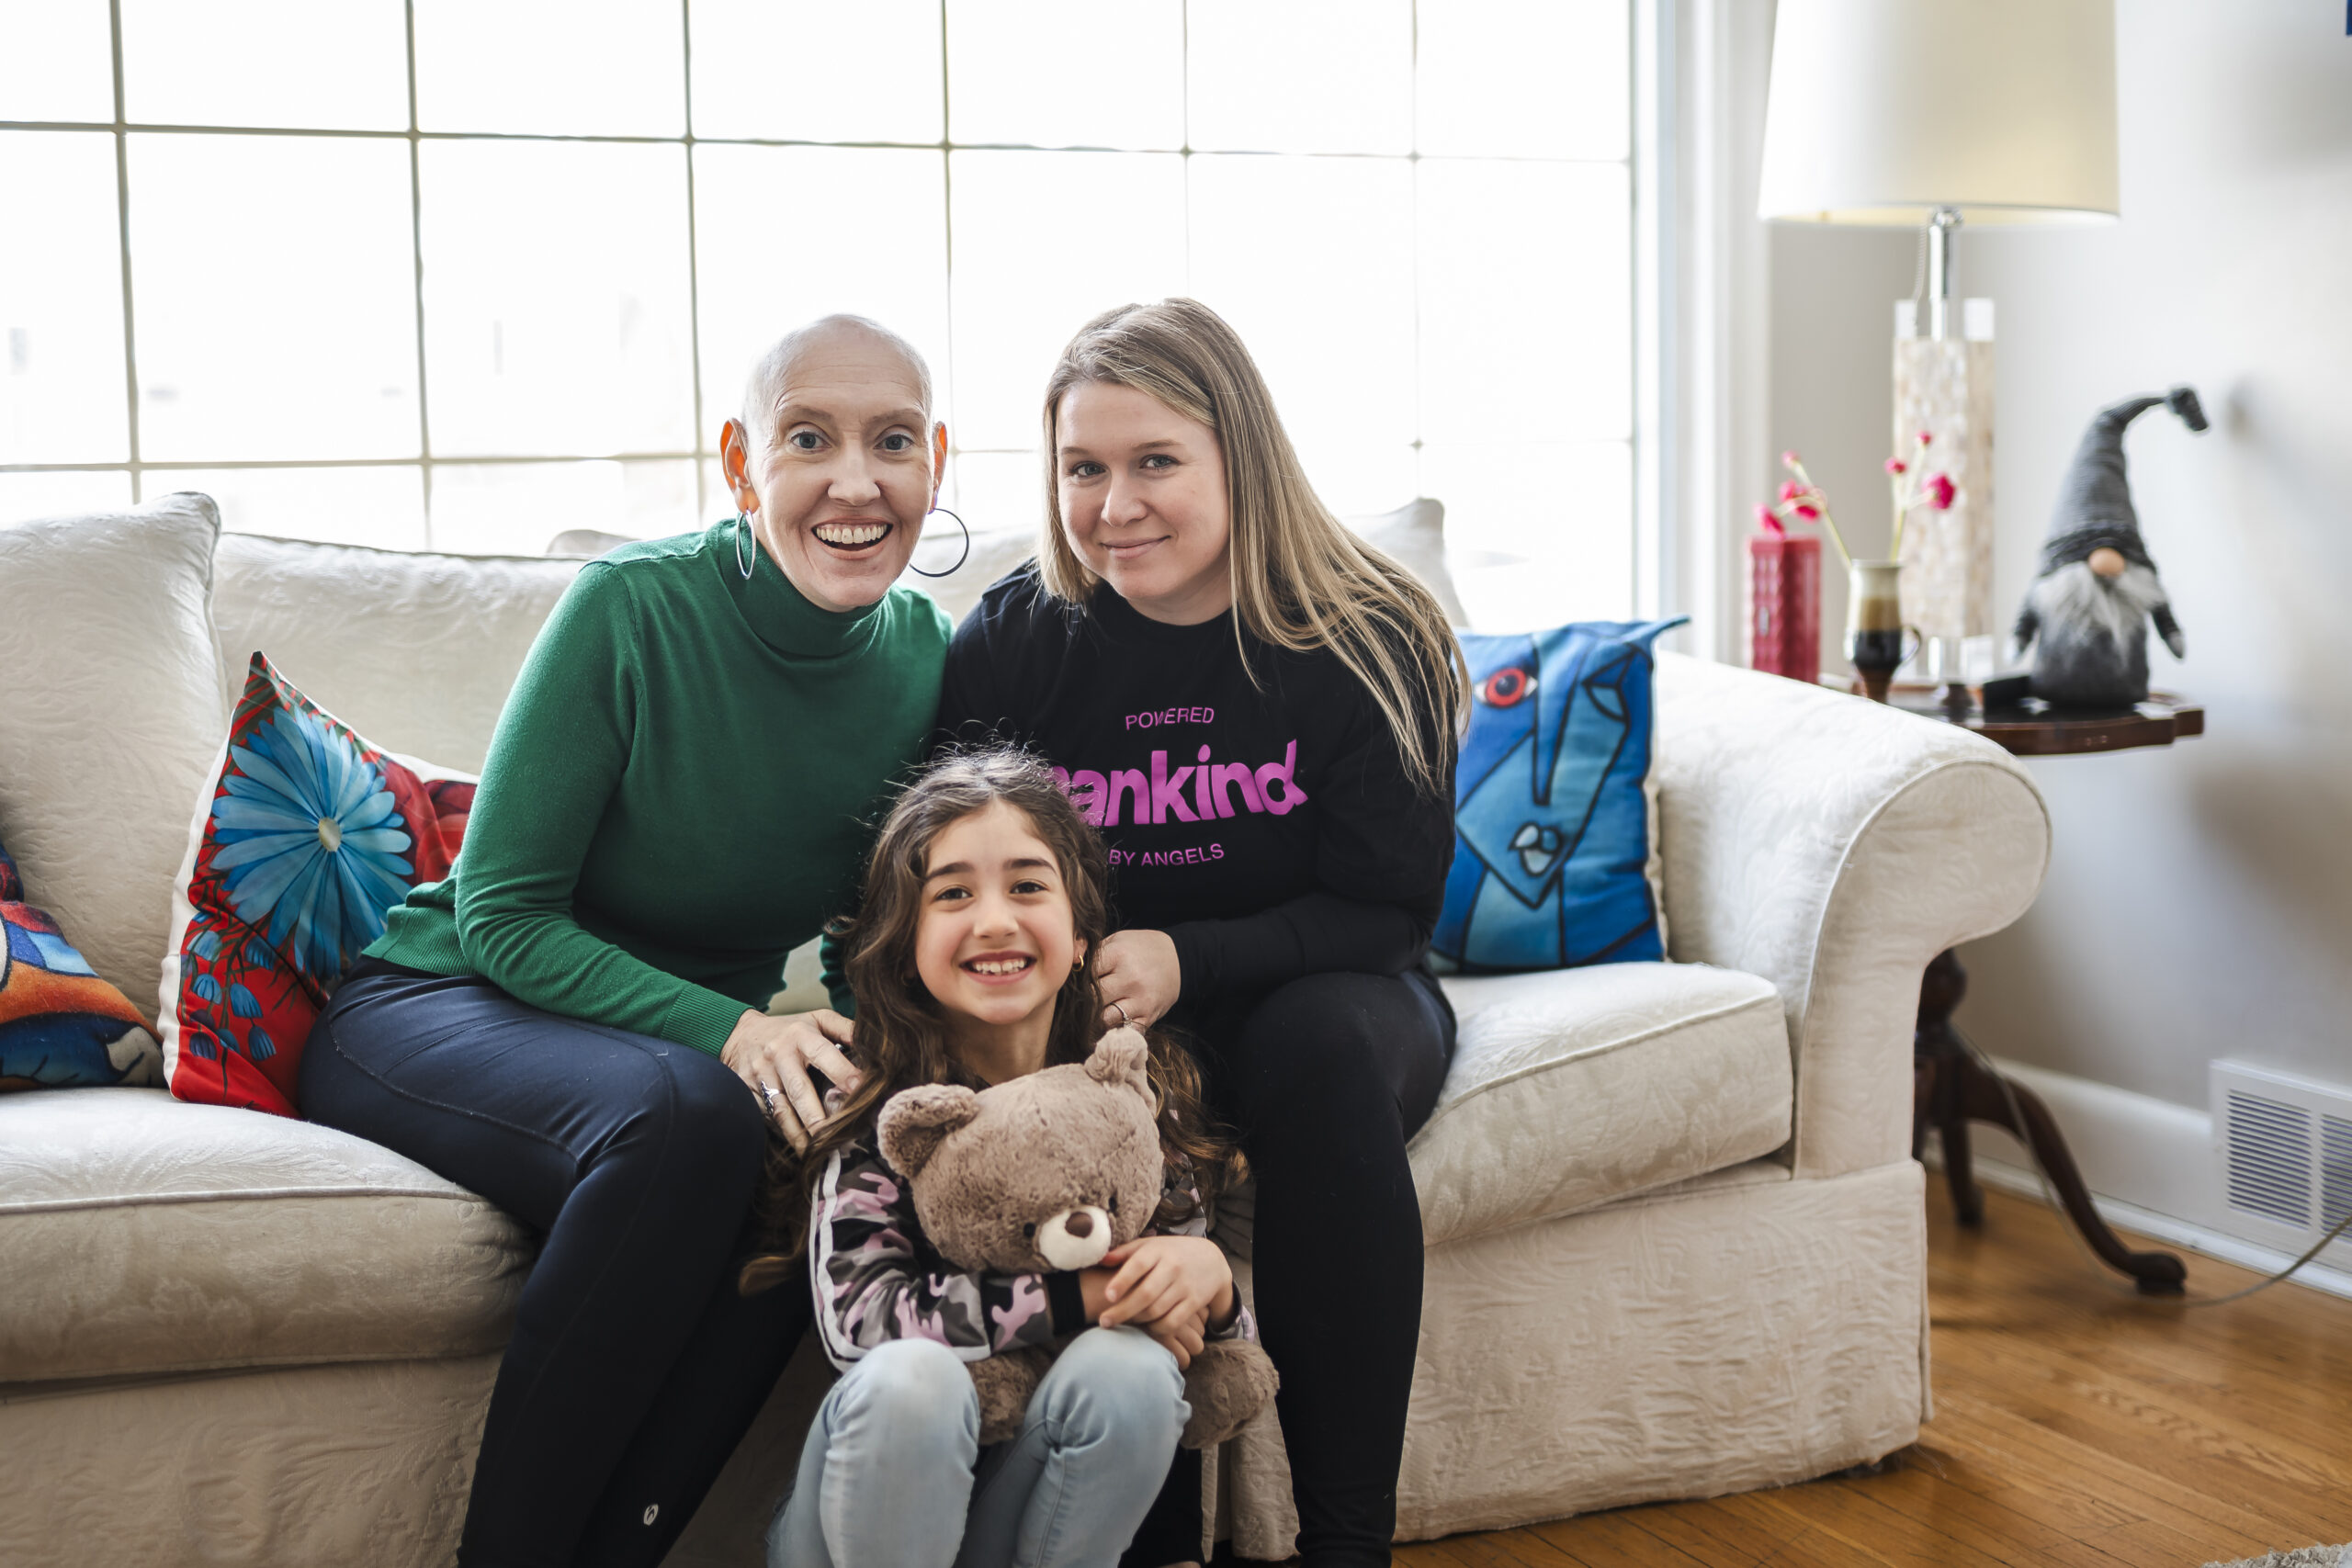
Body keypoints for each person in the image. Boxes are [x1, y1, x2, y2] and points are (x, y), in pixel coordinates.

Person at [298, 315, 955, 1568]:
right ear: (739, 460)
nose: (856, 482)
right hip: (438, 1005)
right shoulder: (633, 609)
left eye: (894, 442)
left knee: (813, 1161)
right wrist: (733, 1028)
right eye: (808, 437)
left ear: (939, 461)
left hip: (667, 1064)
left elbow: (881, 922)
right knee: (702, 1116)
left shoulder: (923, 655)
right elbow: (499, 911)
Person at [937, 298, 1468, 1568]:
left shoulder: (1366, 631)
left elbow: (1389, 904)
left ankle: (1348, 1541)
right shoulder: (1020, 642)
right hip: (1096, 1017)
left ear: (1240, 453)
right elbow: (950, 874)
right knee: (1061, 1109)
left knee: (1314, 1050)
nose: (1114, 504)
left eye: (1155, 462)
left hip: (1331, 984)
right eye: (1084, 468)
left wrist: (1195, 957)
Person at [745, 746, 1250, 1568]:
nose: (994, 920)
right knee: (916, 1380)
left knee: (1134, 1367)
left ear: (1082, 931)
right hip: (857, 1523)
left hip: (1023, 1517)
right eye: (952, 894)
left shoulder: (1126, 1098)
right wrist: (1082, 1292)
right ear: (906, 940)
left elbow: (1198, 1337)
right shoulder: (879, 1115)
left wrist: (1213, 1283)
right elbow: (863, 1326)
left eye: (1027, 885)